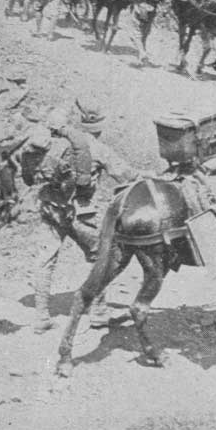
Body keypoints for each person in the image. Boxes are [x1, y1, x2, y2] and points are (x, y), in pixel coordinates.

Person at [29, 104, 127, 333]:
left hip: (51, 208)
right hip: (81, 214)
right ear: (99, 126)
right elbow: (125, 174)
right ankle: (99, 312)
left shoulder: (57, 143)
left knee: (45, 259)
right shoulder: (97, 148)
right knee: (100, 255)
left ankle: (41, 317)